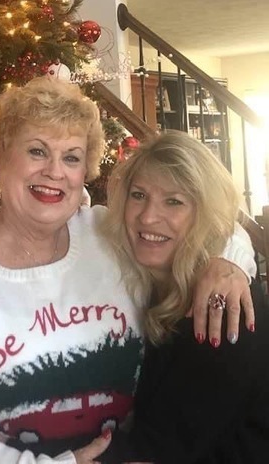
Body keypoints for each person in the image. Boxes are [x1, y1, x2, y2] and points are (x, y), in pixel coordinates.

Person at [0, 77, 256, 464]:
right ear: (0, 157)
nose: (54, 171)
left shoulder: (107, 234)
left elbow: (205, 221)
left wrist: (229, 261)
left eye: (71, 157)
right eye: (37, 151)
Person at [96, 130, 269, 464]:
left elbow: (154, 452)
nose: (148, 216)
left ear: (205, 213)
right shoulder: (143, 281)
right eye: (138, 195)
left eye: (173, 201)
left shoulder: (220, 311)